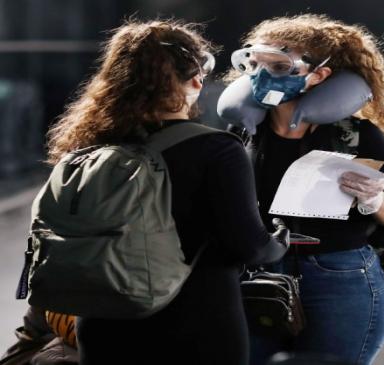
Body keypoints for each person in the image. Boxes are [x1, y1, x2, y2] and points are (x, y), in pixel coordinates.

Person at [44, 19, 289, 365]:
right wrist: (279, 238)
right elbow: (249, 245)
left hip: (101, 324)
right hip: (194, 325)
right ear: (195, 80)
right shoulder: (217, 149)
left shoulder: (85, 147)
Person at [225, 14, 384, 365]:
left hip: (341, 275)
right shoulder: (240, 133)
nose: (262, 74)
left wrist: (374, 199)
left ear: (319, 75)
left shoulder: (357, 136)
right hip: (258, 272)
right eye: (255, 62)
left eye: (280, 65)